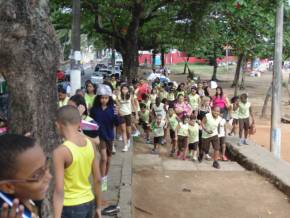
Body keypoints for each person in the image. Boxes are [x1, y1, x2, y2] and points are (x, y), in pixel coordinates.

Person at [53, 106, 101, 218]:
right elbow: (98, 179)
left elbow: (59, 190)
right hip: (89, 202)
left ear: (58, 124)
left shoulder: (61, 151)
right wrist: (98, 207)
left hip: (70, 206)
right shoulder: (90, 144)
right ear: (80, 123)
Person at [0, 134, 52, 218]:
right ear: (8, 187)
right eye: (37, 175)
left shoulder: (26, 196)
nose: (49, 176)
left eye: (46, 166)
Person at [90, 84, 121, 192]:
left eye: (106, 98)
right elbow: (91, 122)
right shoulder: (94, 109)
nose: (104, 100)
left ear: (109, 98)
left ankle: (105, 177)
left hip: (109, 136)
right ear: (98, 98)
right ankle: (101, 179)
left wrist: (118, 114)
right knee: (103, 158)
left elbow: (118, 123)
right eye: (102, 98)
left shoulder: (113, 109)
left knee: (108, 159)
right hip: (99, 137)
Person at [116, 84, 138, 152]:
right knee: (123, 130)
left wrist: (136, 114)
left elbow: (134, 105)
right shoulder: (118, 97)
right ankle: (125, 146)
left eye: (126, 89)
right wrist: (119, 112)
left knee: (129, 131)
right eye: (123, 89)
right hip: (121, 115)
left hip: (128, 115)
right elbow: (117, 106)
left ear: (128, 90)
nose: (124, 90)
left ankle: (128, 140)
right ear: (121, 90)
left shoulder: (130, 96)